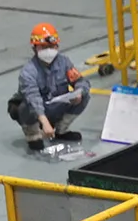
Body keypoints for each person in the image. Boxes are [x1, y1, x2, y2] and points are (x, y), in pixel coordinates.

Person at [8, 22, 91, 150]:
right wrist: (44, 122)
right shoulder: (28, 72)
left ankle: (61, 130)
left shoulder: (64, 62)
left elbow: (80, 80)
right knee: (25, 106)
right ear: (34, 48)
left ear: (57, 46)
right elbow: (33, 98)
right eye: (43, 47)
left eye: (51, 46)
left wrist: (79, 92)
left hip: (56, 104)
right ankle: (33, 135)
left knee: (85, 96)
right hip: (37, 111)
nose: (48, 51)